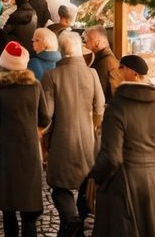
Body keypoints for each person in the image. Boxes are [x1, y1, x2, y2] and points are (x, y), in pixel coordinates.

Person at [87, 54, 155, 237]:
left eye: (121, 68)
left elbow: (111, 158)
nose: (119, 71)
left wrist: (95, 177)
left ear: (130, 72)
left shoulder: (116, 108)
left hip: (123, 188)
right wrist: (153, 168)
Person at [41, 32, 105, 237]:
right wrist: (93, 126)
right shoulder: (92, 74)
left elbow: (46, 115)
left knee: (60, 187)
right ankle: (72, 228)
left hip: (62, 140)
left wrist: (43, 139)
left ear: (61, 50)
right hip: (88, 141)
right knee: (85, 185)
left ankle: (71, 219)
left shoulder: (52, 76)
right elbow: (100, 108)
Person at [0, 42, 50, 237]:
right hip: (29, 149)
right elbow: (45, 117)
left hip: (7, 149)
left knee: (9, 206)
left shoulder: (0, 87)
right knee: (28, 206)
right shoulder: (35, 85)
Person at [84, 26, 122, 103]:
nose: (86, 45)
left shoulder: (104, 62)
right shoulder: (105, 59)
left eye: (88, 40)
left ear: (97, 42)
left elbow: (99, 93)